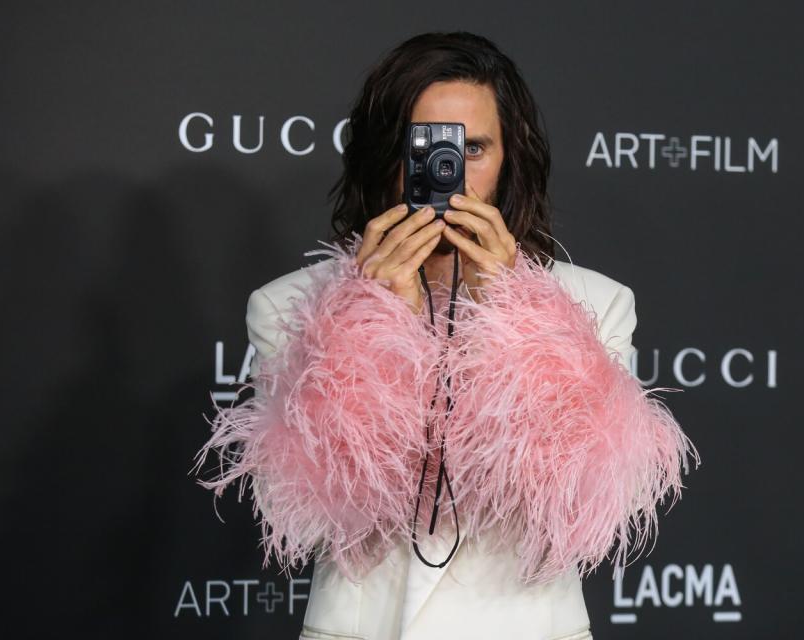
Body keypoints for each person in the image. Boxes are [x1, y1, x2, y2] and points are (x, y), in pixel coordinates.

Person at [193, 31, 699, 640]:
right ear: (382, 154)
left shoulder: (591, 304)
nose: (445, 171)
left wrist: (515, 317)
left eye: (472, 148)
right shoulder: (290, 306)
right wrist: (374, 324)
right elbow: (315, 506)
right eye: (423, 146)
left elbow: (581, 503)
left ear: (511, 157)